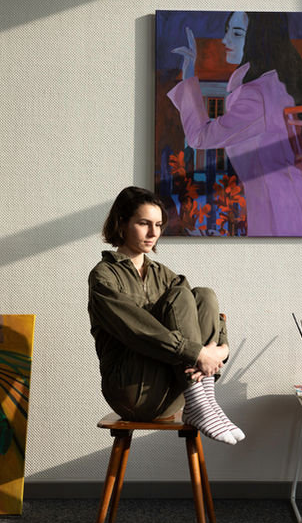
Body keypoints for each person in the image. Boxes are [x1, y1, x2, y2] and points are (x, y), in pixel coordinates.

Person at [168, 11, 302, 237]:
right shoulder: (275, 83)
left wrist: (189, 76)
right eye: (227, 30)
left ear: (259, 38)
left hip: (282, 204)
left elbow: (200, 137)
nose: (225, 40)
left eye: (237, 33)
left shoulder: (254, 96)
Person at [88, 186, 244, 445]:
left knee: (203, 295)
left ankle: (203, 400)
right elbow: (136, 330)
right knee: (181, 295)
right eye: (144, 223)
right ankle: (199, 400)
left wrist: (221, 350)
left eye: (158, 225)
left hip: (172, 392)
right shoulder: (104, 276)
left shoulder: (164, 275)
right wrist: (197, 353)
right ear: (122, 223)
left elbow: (202, 316)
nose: (153, 233)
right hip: (132, 392)